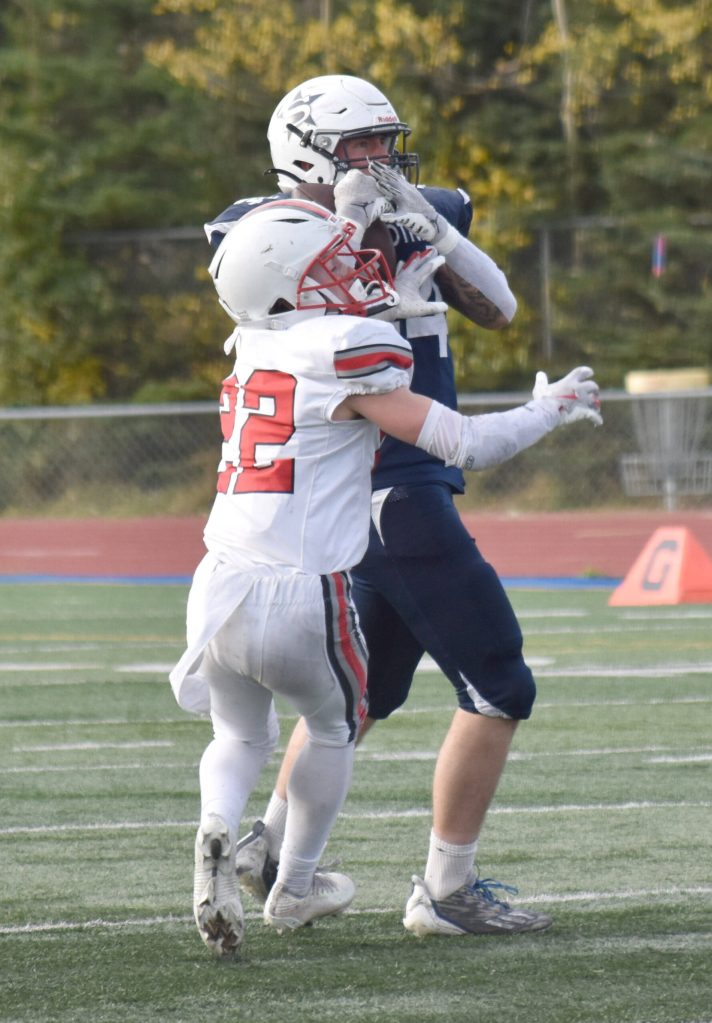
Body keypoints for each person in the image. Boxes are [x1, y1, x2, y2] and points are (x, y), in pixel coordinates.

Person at [203, 75, 598, 938]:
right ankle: (445, 889)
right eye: (363, 145)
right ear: (307, 150)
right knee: (500, 682)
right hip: (383, 482)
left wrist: (426, 220)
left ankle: (270, 851)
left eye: (389, 141)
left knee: (362, 693)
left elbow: (498, 309)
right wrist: (357, 232)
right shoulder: (259, 228)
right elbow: (281, 311)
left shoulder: (419, 206)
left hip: (402, 481)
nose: (382, 158)